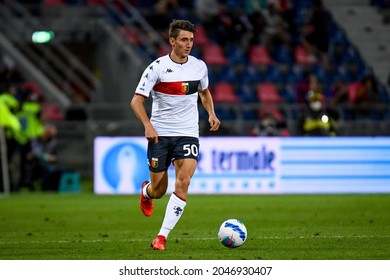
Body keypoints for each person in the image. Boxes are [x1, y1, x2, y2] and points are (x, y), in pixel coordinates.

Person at [130, 19, 221, 251]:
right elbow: (136, 101)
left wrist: (211, 112)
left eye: (191, 40)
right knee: (159, 190)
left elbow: (204, 92)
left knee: (184, 182)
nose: (188, 44)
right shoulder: (157, 68)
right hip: (160, 135)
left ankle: (161, 237)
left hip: (188, 134)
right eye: (183, 40)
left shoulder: (199, 66)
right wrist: (148, 126)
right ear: (172, 41)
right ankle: (146, 191)